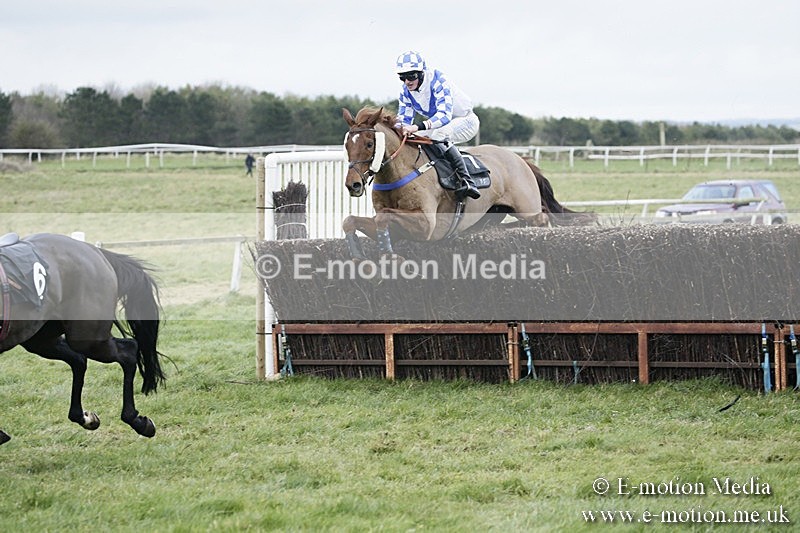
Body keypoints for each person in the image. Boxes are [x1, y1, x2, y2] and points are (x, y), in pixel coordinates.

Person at [394, 50, 481, 200]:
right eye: (402, 77)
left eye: (411, 76)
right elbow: (403, 120)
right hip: (439, 125)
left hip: (466, 120)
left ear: (421, 73)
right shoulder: (405, 91)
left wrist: (417, 126)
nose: (407, 81)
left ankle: (467, 180)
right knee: (413, 138)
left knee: (439, 135)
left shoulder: (438, 80)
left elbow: (444, 115)